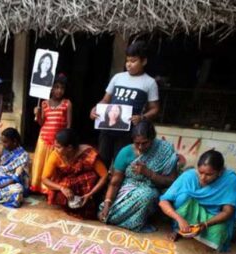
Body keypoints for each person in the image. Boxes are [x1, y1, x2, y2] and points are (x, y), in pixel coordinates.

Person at [90, 41, 160, 169]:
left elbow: (155, 109)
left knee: (120, 163)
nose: (129, 64)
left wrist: (142, 118)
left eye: (133, 61)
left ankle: (116, 188)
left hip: (127, 132)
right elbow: (105, 100)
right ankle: (100, 188)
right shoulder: (118, 77)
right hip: (107, 128)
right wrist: (96, 109)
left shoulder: (150, 83)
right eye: (127, 60)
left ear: (143, 62)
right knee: (101, 162)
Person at [99, 120, 178, 232]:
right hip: (127, 189)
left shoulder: (164, 150)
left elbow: (171, 181)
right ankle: (113, 215)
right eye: (137, 143)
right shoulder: (125, 152)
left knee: (146, 195)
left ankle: (134, 222)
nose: (140, 147)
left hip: (153, 189)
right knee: (106, 211)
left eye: (145, 143)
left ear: (152, 139)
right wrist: (107, 204)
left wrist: (149, 173)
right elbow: (115, 182)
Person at [159, 150, 236, 252]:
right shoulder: (189, 176)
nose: (203, 178)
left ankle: (201, 232)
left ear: (219, 172)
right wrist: (179, 219)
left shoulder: (229, 180)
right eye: (200, 172)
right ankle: (178, 229)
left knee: (219, 232)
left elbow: (228, 211)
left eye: (209, 174)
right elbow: (163, 201)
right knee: (183, 196)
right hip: (190, 212)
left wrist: (205, 224)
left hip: (212, 217)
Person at [42, 128, 108, 219]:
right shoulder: (55, 155)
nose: (55, 149)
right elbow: (44, 179)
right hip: (67, 183)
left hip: (88, 185)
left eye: (58, 147)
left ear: (69, 148)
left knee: (92, 183)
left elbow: (104, 176)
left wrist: (90, 194)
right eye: (55, 146)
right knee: (62, 196)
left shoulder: (89, 153)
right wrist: (62, 188)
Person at [31, 73, 72, 194]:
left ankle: (49, 189)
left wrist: (65, 141)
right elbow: (41, 122)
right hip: (44, 138)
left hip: (58, 142)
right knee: (40, 164)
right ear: (51, 88)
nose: (59, 91)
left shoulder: (67, 103)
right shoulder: (44, 103)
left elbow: (69, 125)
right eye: (56, 87)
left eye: (62, 88)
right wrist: (37, 114)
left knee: (52, 167)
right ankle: (38, 187)